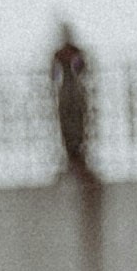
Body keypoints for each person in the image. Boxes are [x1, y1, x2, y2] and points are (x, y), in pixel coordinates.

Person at [50, 21, 94, 178]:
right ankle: (72, 155)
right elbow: (53, 74)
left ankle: (78, 154)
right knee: (68, 124)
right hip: (67, 91)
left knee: (77, 123)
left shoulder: (75, 52)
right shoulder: (60, 53)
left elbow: (83, 69)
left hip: (74, 91)